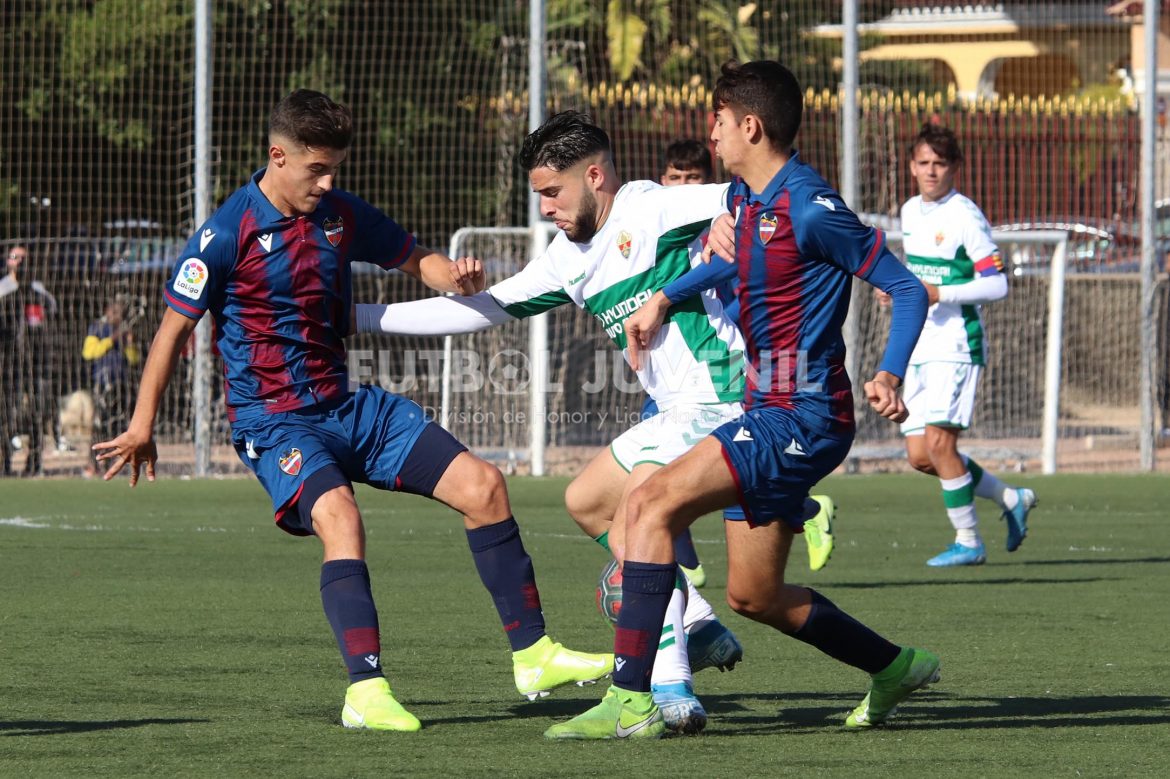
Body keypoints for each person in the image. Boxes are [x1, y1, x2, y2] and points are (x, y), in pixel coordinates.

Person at [93, 89, 612, 733]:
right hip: (274, 421)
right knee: (340, 517)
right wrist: (142, 425)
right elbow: (172, 332)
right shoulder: (225, 234)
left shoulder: (338, 213)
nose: (329, 180)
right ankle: (365, 692)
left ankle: (534, 656)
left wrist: (452, 274)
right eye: (317, 168)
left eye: (336, 166)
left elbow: (412, 256)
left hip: (349, 406)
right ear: (277, 156)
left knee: (485, 486)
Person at [545, 60, 936, 740]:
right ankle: (895, 665)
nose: (711, 132)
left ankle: (632, 697)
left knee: (647, 501)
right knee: (753, 594)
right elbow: (740, 261)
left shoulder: (810, 206)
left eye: (719, 120)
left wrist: (891, 372)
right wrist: (667, 294)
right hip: (766, 411)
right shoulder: (742, 198)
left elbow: (904, 287)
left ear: (749, 126)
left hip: (805, 413)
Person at [356, 112, 764, 735]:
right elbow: (480, 311)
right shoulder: (566, 260)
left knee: (640, 514)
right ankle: (698, 622)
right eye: (539, 194)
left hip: (723, 399)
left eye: (552, 191)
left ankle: (671, 690)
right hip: (680, 411)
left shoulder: (651, 207)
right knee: (588, 502)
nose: (544, 206)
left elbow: (760, 189)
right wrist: (359, 316)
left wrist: (736, 214)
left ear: (595, 175)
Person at [649, 138, 837, 577]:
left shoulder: (735, 220)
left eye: (691, 178)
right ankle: (803, 510)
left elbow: (742, 277)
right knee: (669, 456)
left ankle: (689, 567)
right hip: (682, 357)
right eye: (673, 177)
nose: (680, 185)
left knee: (702, 460)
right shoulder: (662, 228)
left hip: (731, 354)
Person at [894, 122, 1037, 567]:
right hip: (920, 344)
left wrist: (940, 293)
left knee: (940, 445)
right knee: (921, 456)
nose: (931, 172)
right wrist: (899, 289)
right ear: (912, 166)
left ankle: (969, 541)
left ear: (955, 167)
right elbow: (919, 276)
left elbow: (996, 285)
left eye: (940, 164)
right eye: (924, 163)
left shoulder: (965, 216)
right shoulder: (910, 211)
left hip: (957, 344)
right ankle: (1010, 497)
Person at [0, 244, 59, 476]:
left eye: (24, 258)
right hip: (8, 365)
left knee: (38, 412)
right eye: (16, 257)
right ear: (8, 261)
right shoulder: (3, 292)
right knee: (6, 414)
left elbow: (52, 318)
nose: (20, 262)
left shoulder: (40, 294)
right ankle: (5, 461)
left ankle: (34, 462)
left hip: (37, 365)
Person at [83, 298, 141, 476]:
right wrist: (111, 340)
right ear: (107, 311)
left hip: (120, 384)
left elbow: (134, 359)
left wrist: (129, 343)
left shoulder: (125, 331)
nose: (116, 316)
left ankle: (117, 462)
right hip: (102, 384)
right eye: (113, 312)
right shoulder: (97, 328)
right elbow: (89, 353)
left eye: (120, 313)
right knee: (99, 425)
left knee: (120, 424)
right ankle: (94, 463)